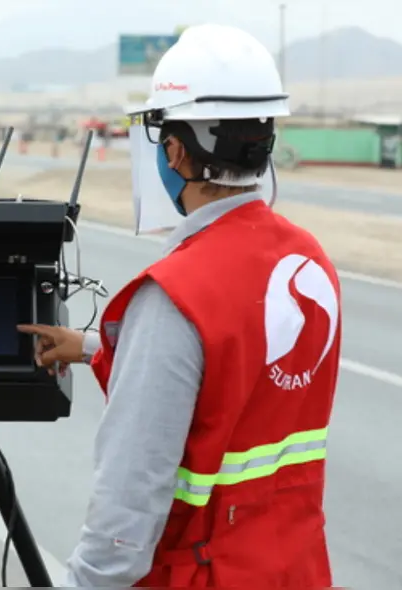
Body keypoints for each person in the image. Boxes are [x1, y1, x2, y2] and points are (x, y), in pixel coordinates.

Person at [18, 24, 341, 587]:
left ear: (174, 151)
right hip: (293, 569)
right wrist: (98, 347)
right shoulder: (308, 262)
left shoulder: (176, 294)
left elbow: (129, 500)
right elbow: (238, 365)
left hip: (205, 572)